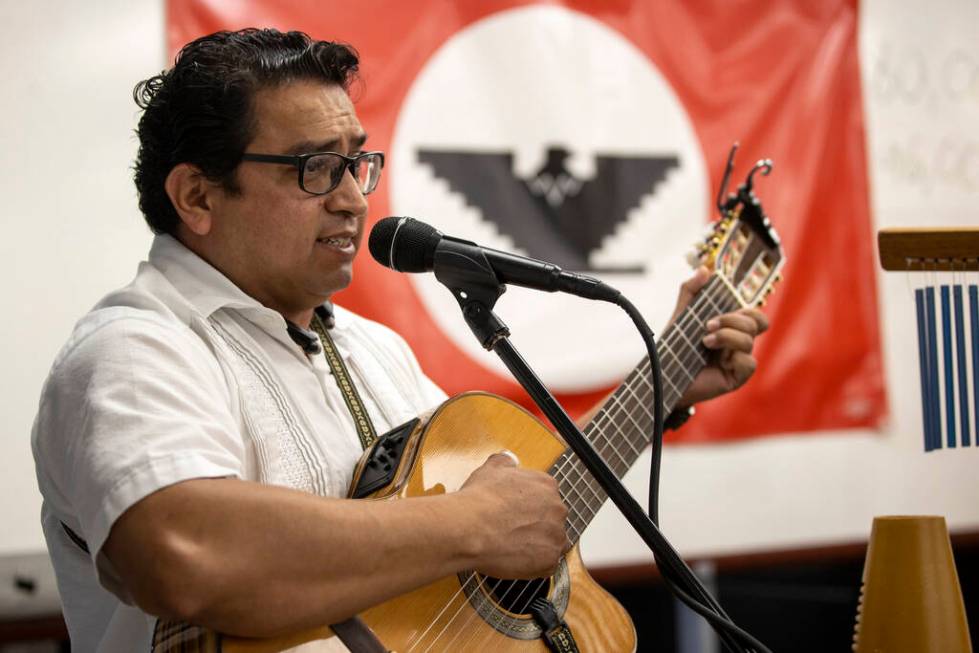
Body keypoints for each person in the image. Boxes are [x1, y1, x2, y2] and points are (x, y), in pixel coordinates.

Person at [32, 28, 769, 651]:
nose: (354, 197)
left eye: (356, 162)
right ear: (197, 196)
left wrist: (662, 383)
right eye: (314, 168)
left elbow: (523, 518)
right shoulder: (132, 350)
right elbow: (181, 553)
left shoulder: (372, 349)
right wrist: (471, 522)